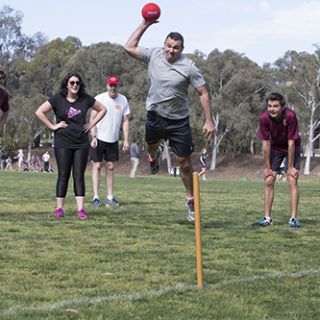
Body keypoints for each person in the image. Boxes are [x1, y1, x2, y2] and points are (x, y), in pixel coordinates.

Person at [124, 20, 215, 221]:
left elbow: (203, 93)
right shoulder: (154, 54)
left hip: (178, 122)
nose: (171, 50)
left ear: (182, 49)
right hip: (155, 117)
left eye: (176, 48)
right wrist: (145, 24)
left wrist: (209, 120)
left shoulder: (189, 66)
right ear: (164, 44)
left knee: (184, 162)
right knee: (151, 145)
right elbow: (128, 47)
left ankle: (191, 200)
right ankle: (152, 156)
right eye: (168, 45)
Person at [35, 71, 106, 220]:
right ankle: (59, 208)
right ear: (66, 84)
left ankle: (80, 209)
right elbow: (39, 112)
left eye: (77, 83)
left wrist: (91, 123)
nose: (75, 85)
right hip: (63, 142)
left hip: (81, 143)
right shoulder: (58, 99)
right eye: (72, 82)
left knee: (79, 176)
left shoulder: (85, 99)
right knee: (63, 175)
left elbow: (103, 109)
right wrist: (52, 126)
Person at [253, 92, 301, 228]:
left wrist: (290, 167)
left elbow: (291, 142)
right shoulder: (264, 118)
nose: (272, 109)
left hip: (292, 147)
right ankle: (267, 218)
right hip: (275, 148)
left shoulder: (290, 116)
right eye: (269, 106)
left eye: (275, 106)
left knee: (292, 179)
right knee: (269, 179)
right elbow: (266, 144)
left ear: (282, 107)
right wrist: (268, 167)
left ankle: (293, 219)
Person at [90, 76, 130, 207]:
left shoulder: (123, 100)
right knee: (96, 166)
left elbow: (125, 121)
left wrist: (125, 139)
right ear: (107, 86)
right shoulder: (99, 98)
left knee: (110, 167)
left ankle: (109, 197)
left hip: (113, 140)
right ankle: (96, 197)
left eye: (115, 86)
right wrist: (94, 136)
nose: (113, 88)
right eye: (110, 85)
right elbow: (92, 117)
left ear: (118, 86)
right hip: (99, 138)